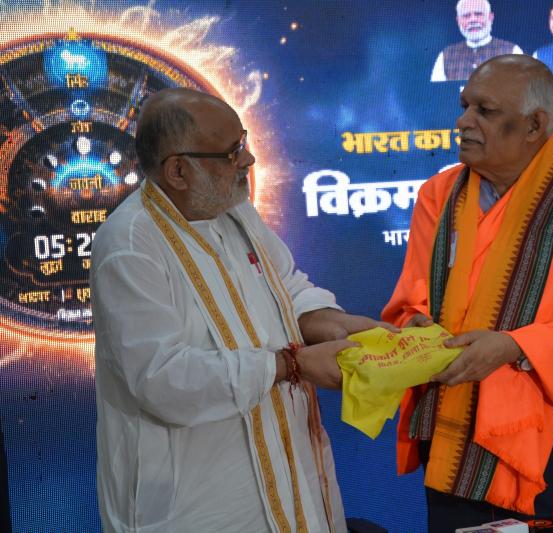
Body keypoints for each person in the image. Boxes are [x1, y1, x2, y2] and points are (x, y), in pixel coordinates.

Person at [92, 87, 387, 532]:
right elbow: (162, 380)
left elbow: (285, 285)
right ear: (178, 171)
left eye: (243, 143)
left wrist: (331, 322)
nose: (247, 160)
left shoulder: (233, 209)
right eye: (232, 153)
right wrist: (292, 365)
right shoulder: (130, 246)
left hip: (289, 475)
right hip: (198, 506)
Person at [383, 55, 553, 532]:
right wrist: (417, 326)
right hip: (454, 443)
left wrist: (514, 347)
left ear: (534, 125)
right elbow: (412, 301)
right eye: (464, 107)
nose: (463, 122)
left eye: (484, 111)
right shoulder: (438, 195)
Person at [431, 0, 523, 82]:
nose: (473, 20)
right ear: (458, 21)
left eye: (478, 14)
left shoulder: (512, 52)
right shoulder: (445, 56)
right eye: (466, 16)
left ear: (490, 17)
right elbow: (436, 93)